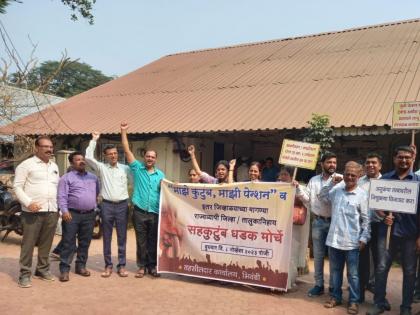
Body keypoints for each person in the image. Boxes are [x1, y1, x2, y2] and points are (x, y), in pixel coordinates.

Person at [367, 146, 420, 315]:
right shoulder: (385, 180)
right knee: (381, 268)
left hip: (411, 234)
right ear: (394, 159)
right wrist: (383, 216)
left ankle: (406, 308)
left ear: (412, 159)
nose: (404, 160)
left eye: (407, 157)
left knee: (410, 271)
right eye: (400, 157)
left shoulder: (417, 183)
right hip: (387, 232)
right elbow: (376, 205)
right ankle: (379, 303)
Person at [319, 161, 369, 315]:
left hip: (352, 242)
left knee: (353, 274)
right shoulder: (337, 191)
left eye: (353, 175)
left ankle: (353, 301)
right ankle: (336, 297)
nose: (349, 177)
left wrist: (364, 238)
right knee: (335, 271)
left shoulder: (362, 195)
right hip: (334, 240)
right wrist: (331, 182)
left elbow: (366, 220)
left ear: (359, 176)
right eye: (347, 174)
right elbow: (322, 196)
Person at [13, 136, 60, 288]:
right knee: (28, 244)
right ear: (37, 148)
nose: (49, 149)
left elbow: (56, 187)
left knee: (46, 244)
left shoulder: (54, 166)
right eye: (45, 146)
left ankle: (42, 270)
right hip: (31, 212)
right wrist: (28, 202)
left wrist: (57, 207)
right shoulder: (26, 165)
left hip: (51, 210)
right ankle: (24, 274)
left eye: (51, 147)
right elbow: (17, 187)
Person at [121, 122, 165, 278]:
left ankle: (152, 266)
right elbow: (126, 150)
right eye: (148, 156)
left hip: (154, 212)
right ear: (144, 157)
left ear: (156, 159)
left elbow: (166, 190)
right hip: (139, 212)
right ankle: (141, 267)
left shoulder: (161, 175)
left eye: (153, 157)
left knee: (153, 241)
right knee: (141, 241)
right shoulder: (137, 168)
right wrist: (124, 131)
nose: (150, 159)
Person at [85, 132, 131, 278]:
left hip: (123, 205)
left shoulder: (126, 169)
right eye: (110, 154)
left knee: (122, 237)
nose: (113, 156)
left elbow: (137, 181)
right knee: (107, 237)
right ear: (105, 156)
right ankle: (108, 265)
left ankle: (122, 266)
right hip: (106, 206)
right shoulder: (101, 168)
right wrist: (94, 139)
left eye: (115, 153)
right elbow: (87, 157)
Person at [57, 152, 99, 282]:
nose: (81, 161)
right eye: (78, 160)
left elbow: (96, 193)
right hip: (72, 214)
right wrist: (64, 211)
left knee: (85, 242)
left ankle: (80, 266)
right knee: (68, 242)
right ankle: (64, 270)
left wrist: (95, 208)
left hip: (89, 215)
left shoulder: (93, 178)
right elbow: (61, 196)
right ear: (71, 163)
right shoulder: (66, 178)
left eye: (83, 159)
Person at [306, 151, 342, 297]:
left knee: (334, 257)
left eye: (334, 162)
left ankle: (333, 286)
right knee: (319, 256)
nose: (332, 165)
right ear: (322, 164)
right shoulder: (314, 180)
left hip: (335, 223)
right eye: (329, 162)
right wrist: (296, 188)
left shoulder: (341, 179)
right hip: (318, 221)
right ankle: (319, 285)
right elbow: (307, 198)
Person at [357, 153, 387, 306]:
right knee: (361, 262)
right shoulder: (359, 182)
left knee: (380, 263)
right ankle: (359, 294)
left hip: (380, 226)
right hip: (362, 227)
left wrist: (388, 216)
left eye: (374, 163)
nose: (370, 165)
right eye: (368, 162)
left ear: (380, 165)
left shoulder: (387, 182)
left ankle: (380, 298)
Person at [277, 166, 310, 289]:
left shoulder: (299, 187)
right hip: (279, 226)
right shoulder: (276, 186)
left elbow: (307, 200)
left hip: (293, 227)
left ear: (292, 176)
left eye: (285, 174)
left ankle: (289, 281)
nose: (283, 177)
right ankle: (277, 280)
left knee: (291, 253)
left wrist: (297, 188)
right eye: (281, 174)